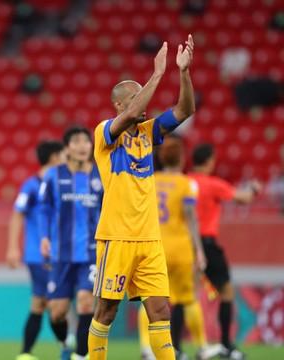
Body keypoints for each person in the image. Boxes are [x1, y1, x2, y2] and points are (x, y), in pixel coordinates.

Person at [88, 34, 196, 360]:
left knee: (161, 310)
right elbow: (135, 110)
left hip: (149, 239)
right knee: (106, 311)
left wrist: (183, 73)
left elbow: (184, 109)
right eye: (135, 98)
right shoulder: (105, 132)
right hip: (117, 237)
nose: (144, 103)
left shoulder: (149, 134)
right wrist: (157, 75)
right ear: (119, 105)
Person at [138, 136, 222, 360]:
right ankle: (202, 346)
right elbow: (191, 218)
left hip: (155, 248)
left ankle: (147, 349)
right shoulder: (186, 184)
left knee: (148, 297)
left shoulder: (150, 180)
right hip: (181, 248)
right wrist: (199, 251)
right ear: (182, 158)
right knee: (188, 299)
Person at [190, 143, 260, 360]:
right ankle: (226, 345)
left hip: (185, 244)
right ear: (210, 161)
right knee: (227, 292)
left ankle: (174, 347)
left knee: (184, 296)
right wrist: (254, 189)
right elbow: (243, 198)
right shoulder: (212, 184)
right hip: (207, 245)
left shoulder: (185, 182)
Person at [39, 126, 102, 360]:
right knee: (57, 313)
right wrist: (44, 237)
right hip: (61, 254)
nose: (82, 146)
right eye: (76, 142)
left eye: (86, 141)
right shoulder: (54, 176)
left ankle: (82, 355)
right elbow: (44, 209)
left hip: (91, 253)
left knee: (86, 304)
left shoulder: (100, 176)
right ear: (67, 148)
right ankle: (67, 341)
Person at [7, 140, 64, 360]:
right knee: (52, 303)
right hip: (38, 254)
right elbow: (17, 214)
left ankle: (28, 352)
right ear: (54, 158)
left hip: (60, 253)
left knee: (40, 304)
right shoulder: (31, 185)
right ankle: (68, 345)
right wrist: (13, 248)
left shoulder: (61, 184)